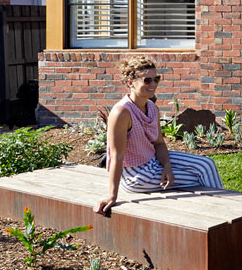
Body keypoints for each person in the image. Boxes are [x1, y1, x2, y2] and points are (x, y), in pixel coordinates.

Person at [94, 56, 224, 215]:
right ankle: (220, 214)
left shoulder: (151, 107)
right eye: (147, 81)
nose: (153, 84)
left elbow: (159, 143)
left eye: (156, 79)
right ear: (130, 83)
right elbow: (116, 156)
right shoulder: (121, 112)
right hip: (137, 175)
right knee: (198, 180)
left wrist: (167, 166)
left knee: (207, 165)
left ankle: (223, 210)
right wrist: (112, 196)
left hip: (153, 160)